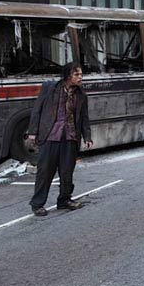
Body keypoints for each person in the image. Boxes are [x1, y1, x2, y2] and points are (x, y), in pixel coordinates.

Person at [27, 63, 93, 216]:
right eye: (77, 75)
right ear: (68, 75)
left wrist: (87, 136)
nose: (80, 78)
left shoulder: (81, 95)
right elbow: (37, 110)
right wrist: (33, 132)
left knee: (67, 171)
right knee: (45, 171)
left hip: (70, 137)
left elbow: (84, 118)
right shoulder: (50, 88)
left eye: (81, 75)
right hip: (50, 136)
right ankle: (37, 204)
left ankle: (64, 200)